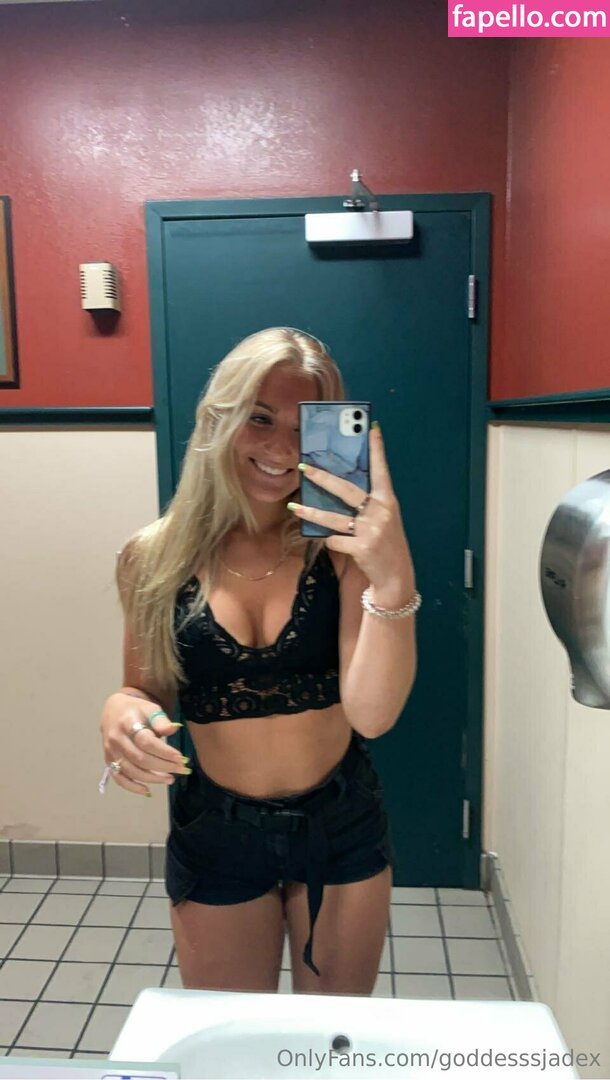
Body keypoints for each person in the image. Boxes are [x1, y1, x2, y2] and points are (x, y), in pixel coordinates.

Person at [100, 327, 419, 996]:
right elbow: (144, 690)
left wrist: (393, 581)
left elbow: (373, 716)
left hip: (339, 821)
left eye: (307, 427)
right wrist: (120, 711)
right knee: (232, 1035)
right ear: (219, 418)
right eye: (261, 418)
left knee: (329, 1041)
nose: (282, 448)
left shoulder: (342, 551)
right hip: (217, 828)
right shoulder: (151, 558)